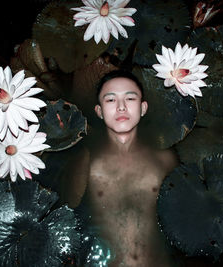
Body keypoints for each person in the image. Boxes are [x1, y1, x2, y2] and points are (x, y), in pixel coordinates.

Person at [59, 70, 179, 266]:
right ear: (99, 111)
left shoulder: (165, 160)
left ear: (143, 108)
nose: (121, 107)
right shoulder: (86, 164)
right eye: (111, 100)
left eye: (130, 98)